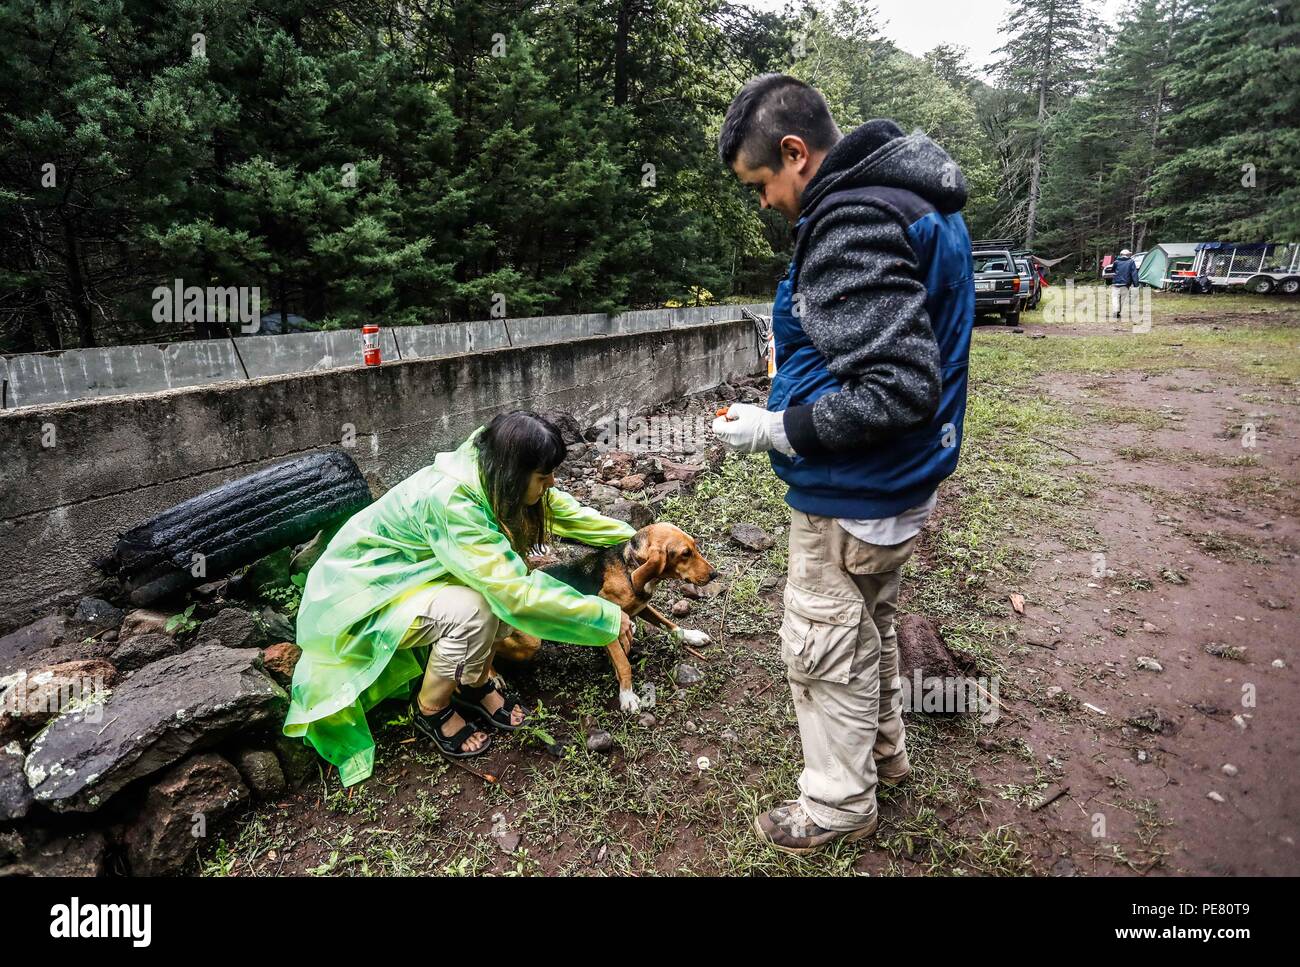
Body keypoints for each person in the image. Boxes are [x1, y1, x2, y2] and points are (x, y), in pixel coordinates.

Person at [712, 74, 974, 853]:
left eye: (761, 184)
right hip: (899, 486)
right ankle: (886, 753)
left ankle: (834, 804)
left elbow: (896, 388)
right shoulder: (907, 197)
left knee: (823, 645)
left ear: (796, 154)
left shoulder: (852, 220)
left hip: (853, 488)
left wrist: (775, 428)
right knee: (871, 623)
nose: (765, 204)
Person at [283, 411, 636, 785]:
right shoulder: (453, 501)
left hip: (408, 580)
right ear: (515, 473)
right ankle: (431, 708)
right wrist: (605, 616)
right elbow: (514, 593)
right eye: (543, 475)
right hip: (360, 598)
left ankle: (473, 681)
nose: (552, 482)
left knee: (494, 587)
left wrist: (640, 537)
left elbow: (561, 509)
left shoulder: (490, 466)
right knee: (477, 608)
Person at [1112, 248, 1139, 318]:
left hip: (1116, 283)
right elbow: (1134, 273)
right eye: (1129, 254)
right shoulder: (1131, 262)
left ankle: (1115, 310)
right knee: (1122, 298)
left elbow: (1113, 269)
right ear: (1127, 255)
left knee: (1115, 297)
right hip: (1125, 284)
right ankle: (1118, 311)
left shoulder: (1116, 262)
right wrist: (1136, 284)